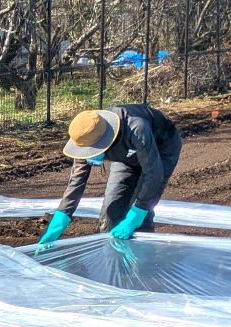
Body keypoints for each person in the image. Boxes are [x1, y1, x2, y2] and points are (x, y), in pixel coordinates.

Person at [38, 104, 183, 246]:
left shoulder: (136, 127)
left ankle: (142, 257)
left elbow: (154, 174)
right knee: (111, 215)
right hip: (127, 157)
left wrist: (136, 214)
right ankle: (112, 260)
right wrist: (61, 218)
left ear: (104, 141)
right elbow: (77, 181)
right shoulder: (86, 136)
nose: (88, 155)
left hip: (161, 149)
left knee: (140, 215)